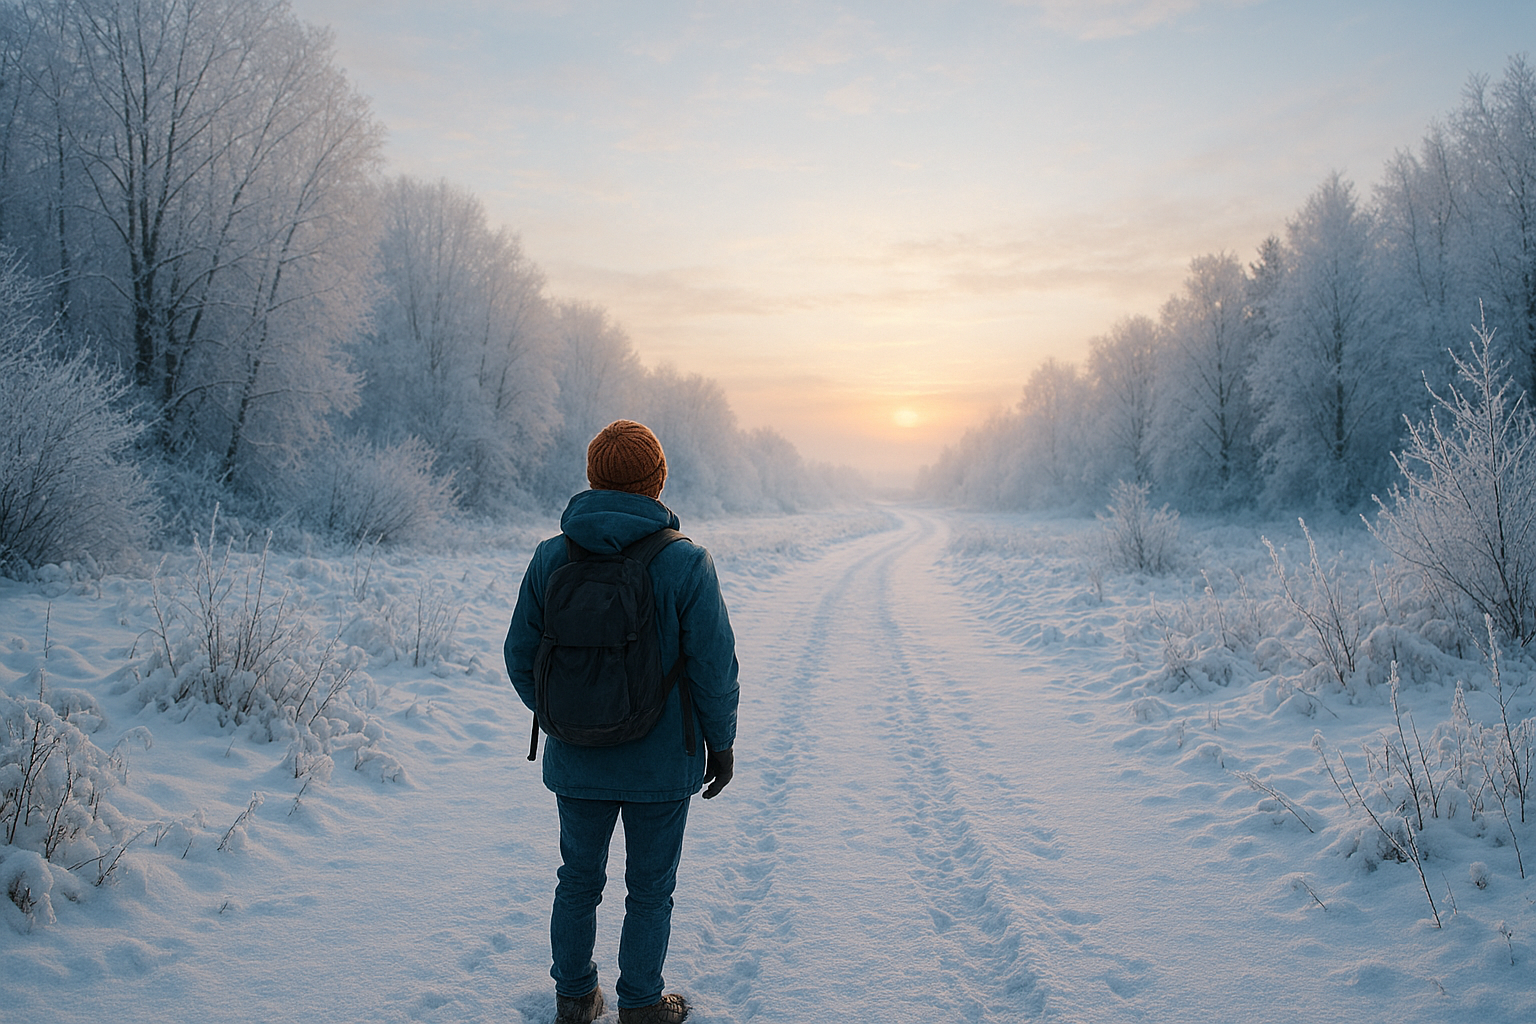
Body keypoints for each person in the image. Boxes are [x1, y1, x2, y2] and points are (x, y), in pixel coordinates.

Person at [505, 419, 739, 1024]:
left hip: (575, 757)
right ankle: (640, 1006)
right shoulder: (686, 563)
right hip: (661, 761)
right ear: (657, 483)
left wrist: (564, 713)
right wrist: (722, 743)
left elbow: (518, 653)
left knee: (577, 880)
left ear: (592, 478)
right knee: (650, 889)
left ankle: (575, 998)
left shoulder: (551, 556)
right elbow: (714, 666)